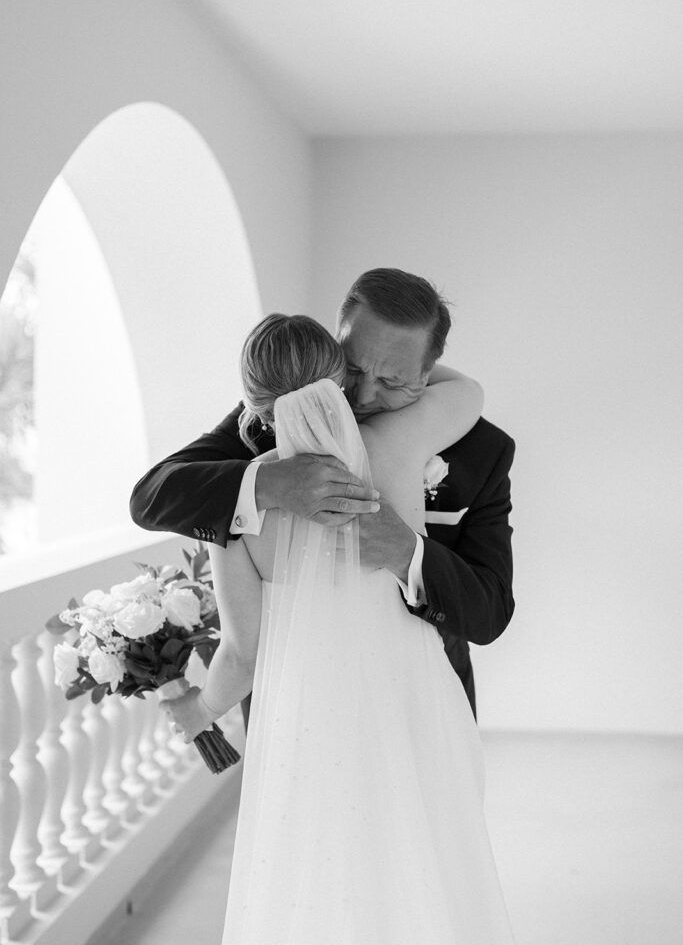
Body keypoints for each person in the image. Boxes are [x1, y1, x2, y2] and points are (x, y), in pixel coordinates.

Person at [161, 313, 515, 943]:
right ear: (339, 376)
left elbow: (244, 653)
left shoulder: (237, 505)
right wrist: (408, 371)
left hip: (308, 716)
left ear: (250, 401)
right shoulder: (396, 447)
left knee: (320, 878)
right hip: (414, 700)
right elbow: (470, 393)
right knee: (426, 871)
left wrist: (198, 710)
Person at [129, 268, 516, 723]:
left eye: (393, 382)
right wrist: (269, 483)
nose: (365, 394)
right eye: (353, 369)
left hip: (424, 711)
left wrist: (407, 552)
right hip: (293, 715)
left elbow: (488, 613)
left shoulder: (483, 451)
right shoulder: (266, 418)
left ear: (427, 372)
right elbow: (151, 496)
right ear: (335, 344)